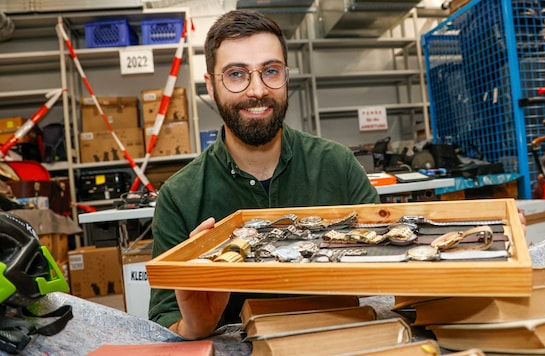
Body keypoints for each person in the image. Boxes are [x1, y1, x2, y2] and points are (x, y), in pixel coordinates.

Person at [148, 9, 381, 340]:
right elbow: (164, 321)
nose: (257, 90)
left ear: (286, 75)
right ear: (211, 86)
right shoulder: (178, 197)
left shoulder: (339, 166)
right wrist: (197, 323)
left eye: (270, 71)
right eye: (236, 74)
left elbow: (388, 277)